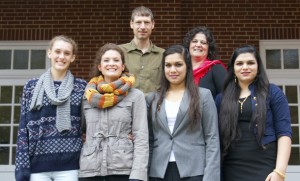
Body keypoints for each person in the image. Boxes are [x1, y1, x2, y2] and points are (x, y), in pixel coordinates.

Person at [15, 35, 87, 181]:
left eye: (67, 53)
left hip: (70, 167)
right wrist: (22, 167)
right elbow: (23, 129)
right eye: (57, 51)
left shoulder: (81, 87)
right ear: (49, 53)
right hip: (37, 168)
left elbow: (91, 124)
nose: (61, 56)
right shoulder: (31, 87)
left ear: (73, 57)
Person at [215, 45, 292, 181]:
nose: (245, 67)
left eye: (250, 63)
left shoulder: (273, 93)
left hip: (264, 165)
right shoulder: (221, 98)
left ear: (258, 67)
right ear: (233, 69)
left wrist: (279, 171)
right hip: (230, 167)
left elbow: (284, 133)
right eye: (239, 63)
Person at [146, 45, 220, 181]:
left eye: (178, 65)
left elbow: (212, 138)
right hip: (158, 171)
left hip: (194, 170)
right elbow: (148, 139)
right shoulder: (152, 99)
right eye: (168, 65)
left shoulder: (203, 96)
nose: (172, 70)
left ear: (188, 67)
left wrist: (211, 177)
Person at [79, 43, 149, 181]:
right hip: (90, 171)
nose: (111, 64)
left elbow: (141, 138)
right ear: (100, 67)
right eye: (106, 60)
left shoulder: (136, 96)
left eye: (116, 60)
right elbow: (81, 131)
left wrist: (138, 175)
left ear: (123, 66)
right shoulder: (87, 97)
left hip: (123, 170)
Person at [119, 6, 165, 95]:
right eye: (138, 22)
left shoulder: (163, 54)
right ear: (131, 24)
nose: (143, 27)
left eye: (147, 22)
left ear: (153, 24)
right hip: (127, 105)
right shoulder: (119, 52)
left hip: (153, 106)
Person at [183, 26, 227, 98]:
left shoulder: (216, 68)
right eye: (194, 41)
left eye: (203, 43)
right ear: (189, 45)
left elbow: (227, 97)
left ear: (209, 48)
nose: (198, 45)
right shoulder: (181, 69)